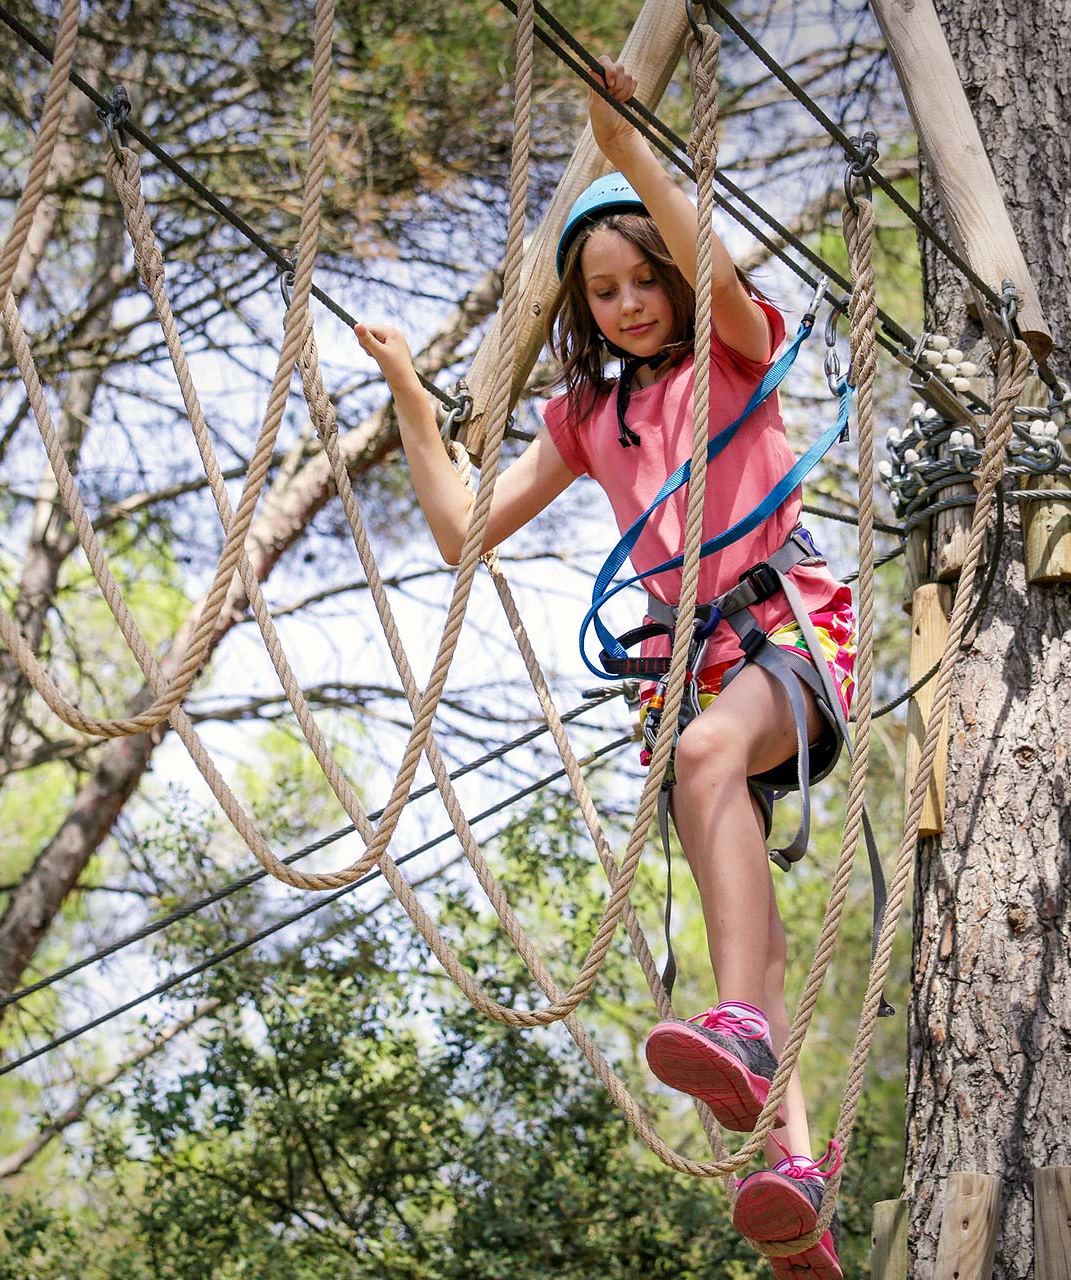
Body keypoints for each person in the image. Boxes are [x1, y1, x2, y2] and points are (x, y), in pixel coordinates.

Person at [353, 58, 854, 1280]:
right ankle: (797, 1177)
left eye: (646, 279)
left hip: (787, 636)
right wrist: (416, 402)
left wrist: (629, 151)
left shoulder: (735, 353)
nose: (631, 304)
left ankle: (739, 1039)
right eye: (606, 290)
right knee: (746, 913)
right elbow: (465, 528)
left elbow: (721, 276)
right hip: (690, 676)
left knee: (706, 753)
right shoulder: (586, 416)